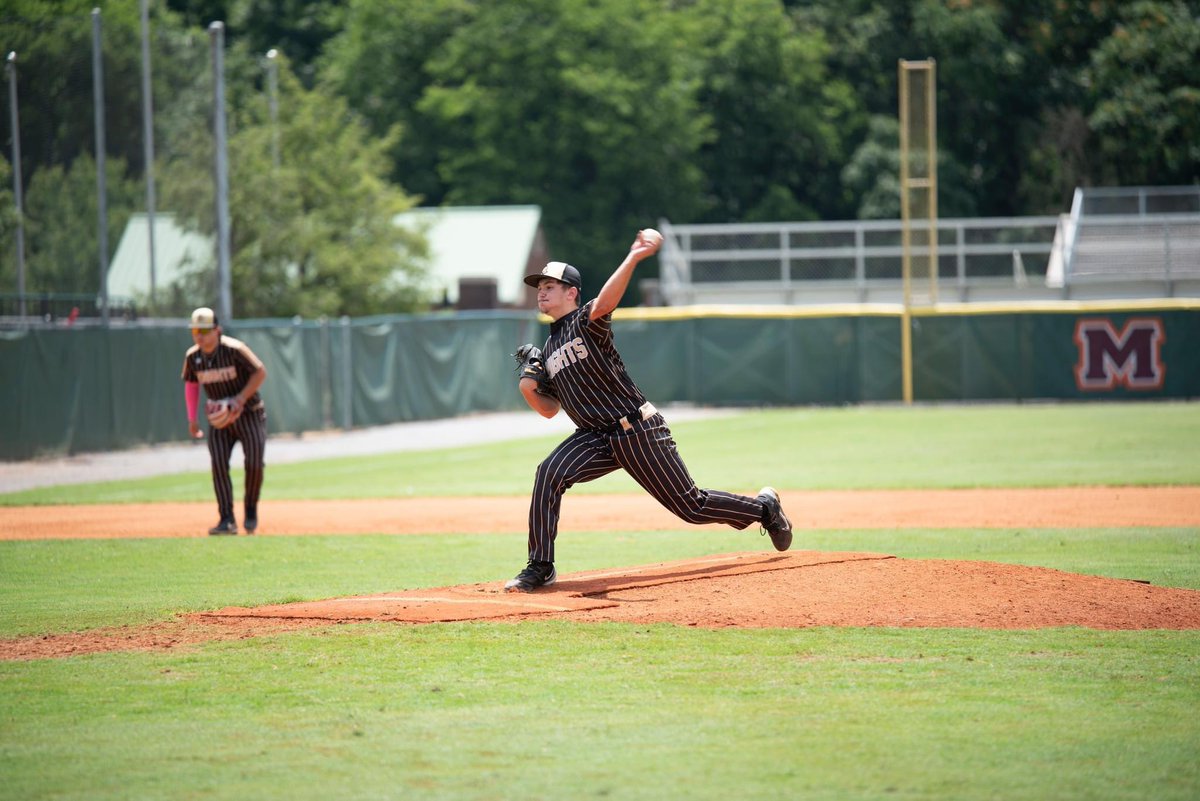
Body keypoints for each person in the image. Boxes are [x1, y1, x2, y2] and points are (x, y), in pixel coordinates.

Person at [505, 229, 793, 592]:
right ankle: (541, 566)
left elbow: (606, 302)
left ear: (571, 293)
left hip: (637, 430)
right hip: (594, 438)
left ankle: (764, 508)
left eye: (550, 285)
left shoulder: (585, 323)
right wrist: (528, 385)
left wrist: (635, 256)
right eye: (539, 286)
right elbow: (549, 410)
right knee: (548, 473)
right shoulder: (547, 349)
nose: (541, 291)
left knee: (691, 506)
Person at [181, 307, 268, 536]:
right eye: (195, 330)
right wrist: (192, 418)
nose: (199, 335)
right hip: (219, 421)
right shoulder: (193, 357)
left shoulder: (234, 350)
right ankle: (226, 519)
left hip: (249, 413)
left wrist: (241, 398)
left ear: (217, 330)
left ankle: (250, 509)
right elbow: (191, 385)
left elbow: (260, 372)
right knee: (219, 464)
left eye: (205, 330)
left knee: (255, 464)